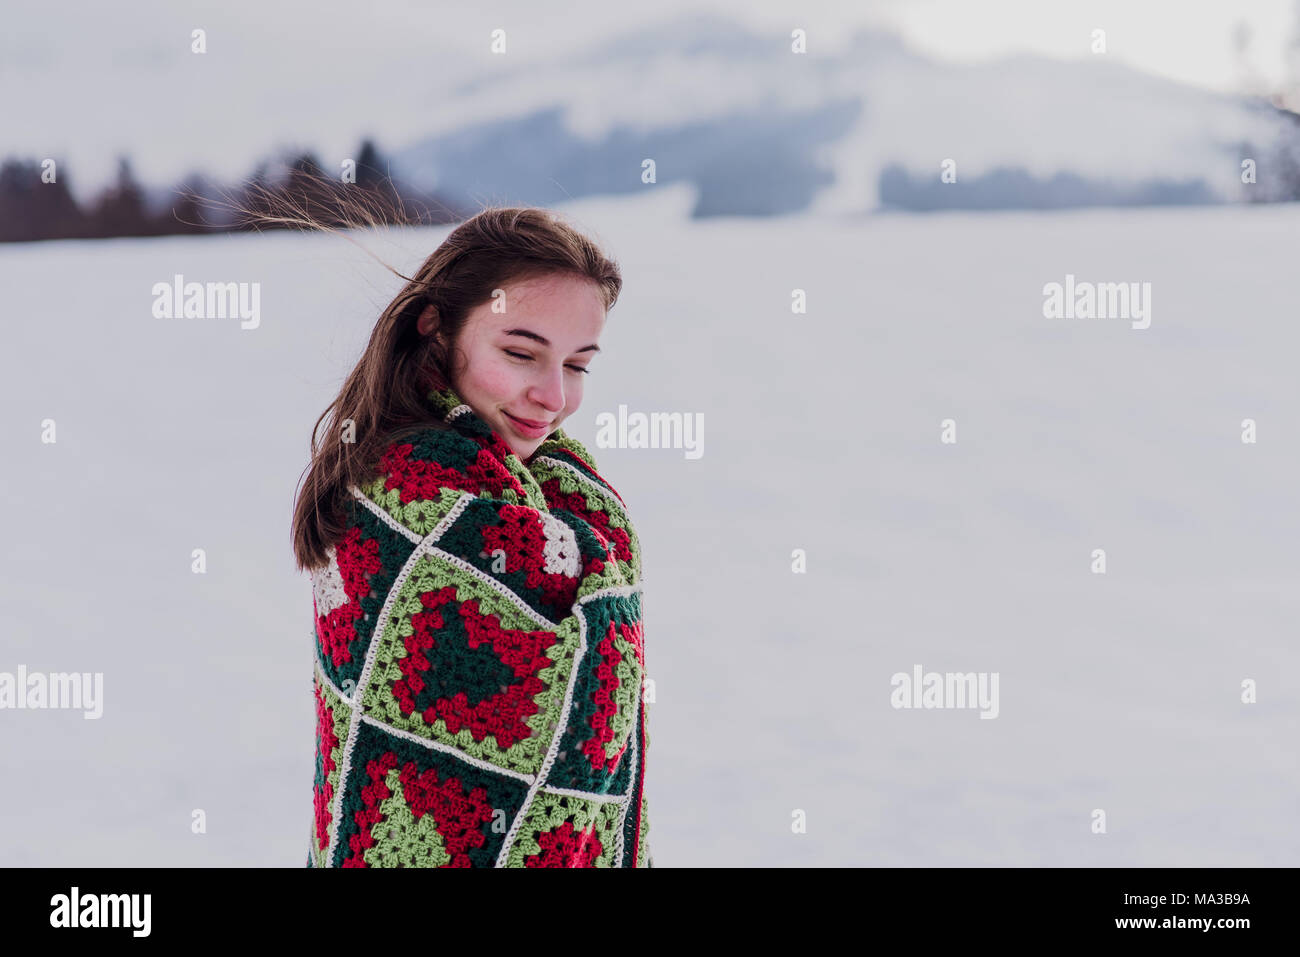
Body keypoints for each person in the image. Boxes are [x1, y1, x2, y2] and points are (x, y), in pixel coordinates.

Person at [289, 204, 651, 867]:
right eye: (520, 352)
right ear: (436, 326)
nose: (553, 396)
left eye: (578, 365)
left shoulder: (555, 492)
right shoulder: (400, 499)